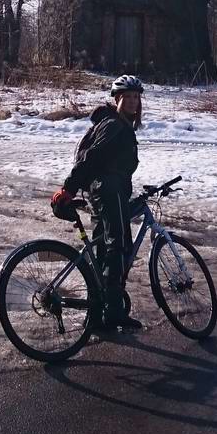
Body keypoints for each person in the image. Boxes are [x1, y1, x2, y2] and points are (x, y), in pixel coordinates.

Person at [51, 74, 144, 333]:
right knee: (119, 245)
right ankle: (112, 312)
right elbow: (91, 158)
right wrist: (67, 189)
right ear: (118, 99)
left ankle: (98, 310)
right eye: (128, 97)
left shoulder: (116, 123)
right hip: (108, 189)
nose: (134, 102)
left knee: (104, 248)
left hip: (107, 191)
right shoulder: (115, 125)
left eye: (137, 97)